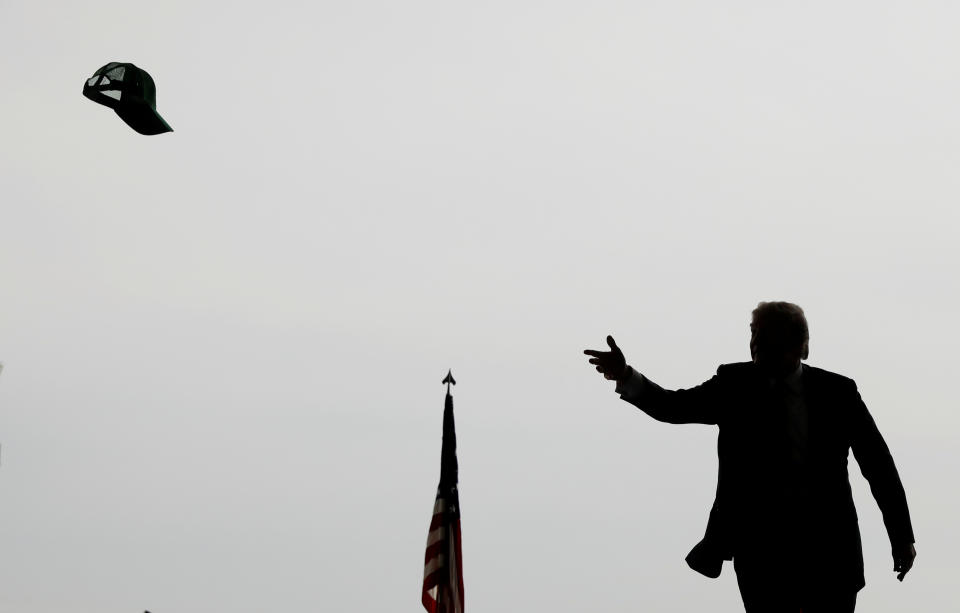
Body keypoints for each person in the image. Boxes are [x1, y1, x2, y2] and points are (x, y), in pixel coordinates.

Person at [584, 301, 915, 612]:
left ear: (800, 344)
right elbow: (673, 407)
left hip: (830, 552)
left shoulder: (838, 393)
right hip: (761, 551)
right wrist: (625, 375)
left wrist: (901, 539)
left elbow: (879, 467)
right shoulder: (733, 385)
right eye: (754, 334)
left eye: (765, 334)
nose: (756, 343)